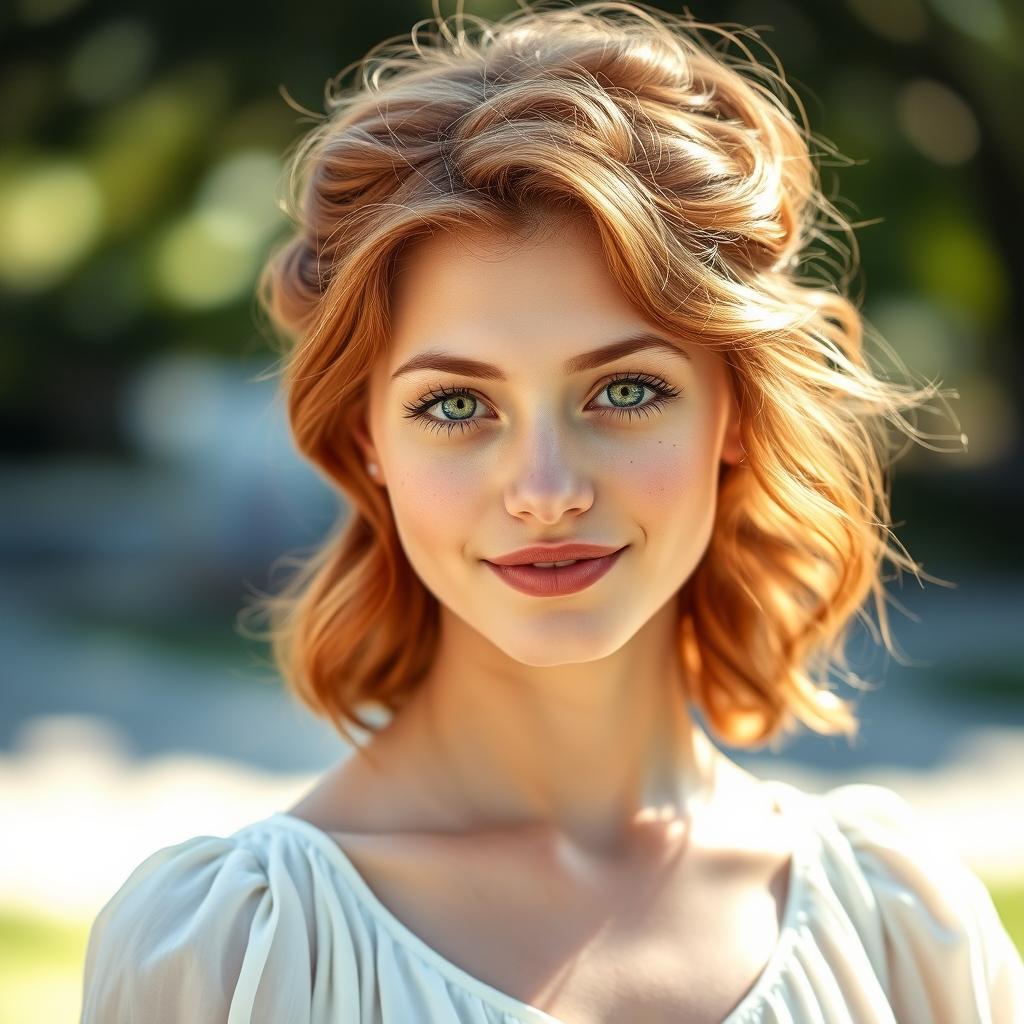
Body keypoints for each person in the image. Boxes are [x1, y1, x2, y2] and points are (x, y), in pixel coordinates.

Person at [80, 2, 1024, 1021]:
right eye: (455, 405)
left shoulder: (898, 928)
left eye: (623, 390)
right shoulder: (234, 952)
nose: (544, 487)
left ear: (735, 410)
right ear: (366, 443)